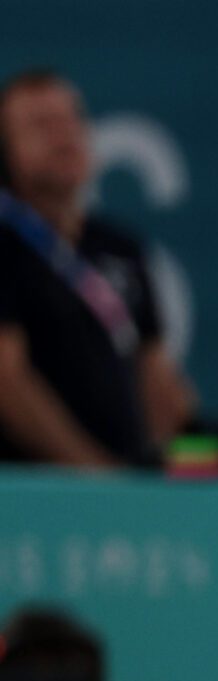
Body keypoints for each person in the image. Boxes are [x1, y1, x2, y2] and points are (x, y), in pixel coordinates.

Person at [0, 68, 193, 469]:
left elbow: (157, 376)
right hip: (31, 498)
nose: (63, 136)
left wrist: (164, 465)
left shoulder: (121, 247)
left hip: (123, 501)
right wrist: (94, 474)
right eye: (40, 125)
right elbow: (7, 380)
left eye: (71, 119)